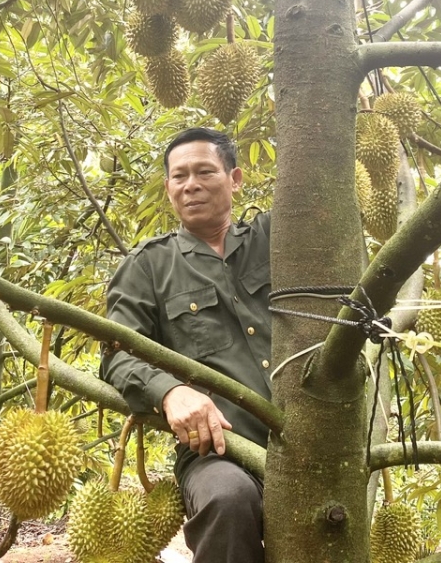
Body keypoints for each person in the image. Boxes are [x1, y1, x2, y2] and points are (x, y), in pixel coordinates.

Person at [102, 127, 271, 563]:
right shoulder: (148, 267)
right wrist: (170, 391)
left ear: (234, 178)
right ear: (168, 187)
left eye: (204, 172)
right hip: (219, 453)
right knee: (226, 500)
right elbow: (118, 355)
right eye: (179, 176)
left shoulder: (277, 241)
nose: (191, 184)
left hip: (314, 444)